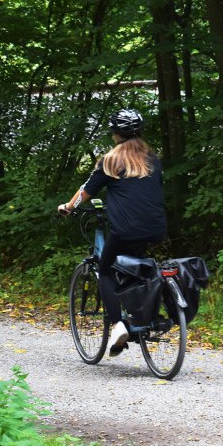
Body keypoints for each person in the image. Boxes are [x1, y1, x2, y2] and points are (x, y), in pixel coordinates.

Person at [57, 109, 167, 357]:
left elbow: (86, 192)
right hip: (156, 227)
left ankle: (118, 325)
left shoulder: (110, 161)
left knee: (106, 268)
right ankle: (142, 317)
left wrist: (68, 207)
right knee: (135, 267)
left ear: (115, 133)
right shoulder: (153, 160)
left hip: (126, 229)